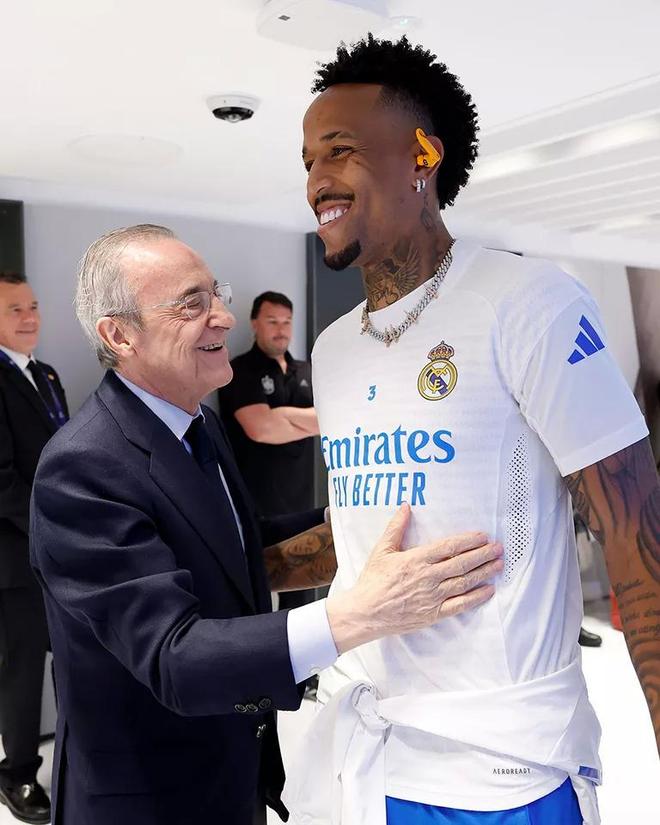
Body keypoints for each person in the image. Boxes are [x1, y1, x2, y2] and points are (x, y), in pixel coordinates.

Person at [286, 35, 660, 825]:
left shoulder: (528, 303)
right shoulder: (334, 349)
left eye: (342, 150)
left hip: (505, 773)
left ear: (423, 158)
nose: (318, 179)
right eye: (310, 159)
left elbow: (636, 535)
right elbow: (363, 527)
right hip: (368, 764)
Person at [29, 224, 504, 825]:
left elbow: (235, 544)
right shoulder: (83, 467)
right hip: (150, 798)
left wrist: (354, 521)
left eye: (216, 294)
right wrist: (362, 614)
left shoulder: (197, 425)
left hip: (233, 773)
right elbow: (175, 657)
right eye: (191, 304)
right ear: (119, 334)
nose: (224, 318)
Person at [0, 272, 68, 824]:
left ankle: (73, 756)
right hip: (16, 554)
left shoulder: (45, 375)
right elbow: (1, 481)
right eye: (14, 309)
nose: (29, 317)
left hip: (58, 549)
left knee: (68, 657)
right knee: (22, 670)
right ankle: (18, 773)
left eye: (33, 306)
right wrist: (54, 526)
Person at [218, 291, 320, 622]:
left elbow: (337, 418)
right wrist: (314, 420)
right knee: (258, 600)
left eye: (287, 322)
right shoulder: (239, 370)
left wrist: (283, 417)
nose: (281, 330)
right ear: (254, 324)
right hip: (255, 507)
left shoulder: (307, 370)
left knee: (303, 600)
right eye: (272, 321)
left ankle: (304, 660)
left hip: (302, 505)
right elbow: (261, 429)